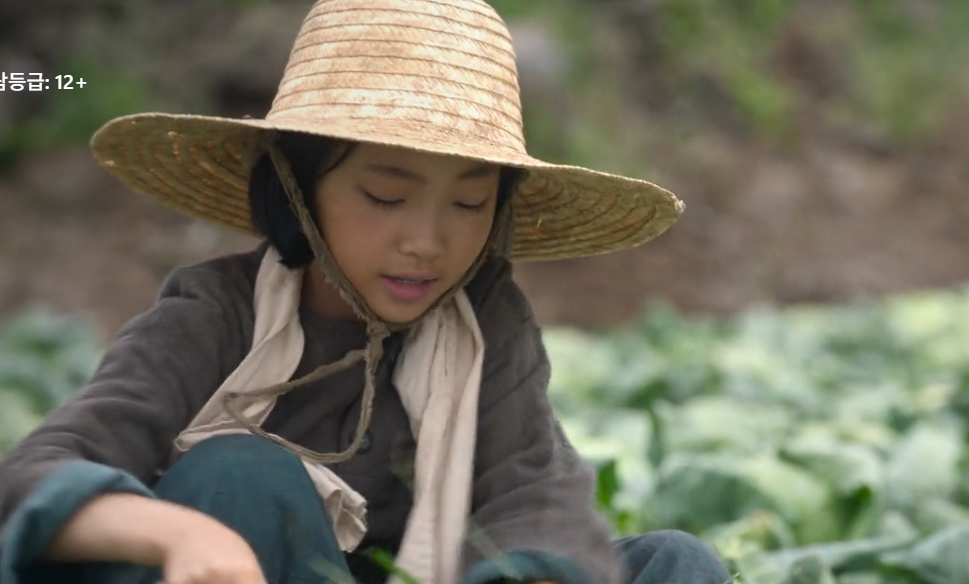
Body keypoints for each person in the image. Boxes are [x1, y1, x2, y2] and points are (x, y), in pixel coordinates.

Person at [0, 1, 733, 584]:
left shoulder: (486, 323)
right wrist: (183, 536)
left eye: (468, 204)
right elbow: (33, 478)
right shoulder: (215, 312)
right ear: (297, 188)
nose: (427, 241)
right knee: (243, 475)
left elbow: (532, 498)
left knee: (674, 563)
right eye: (385, 196)